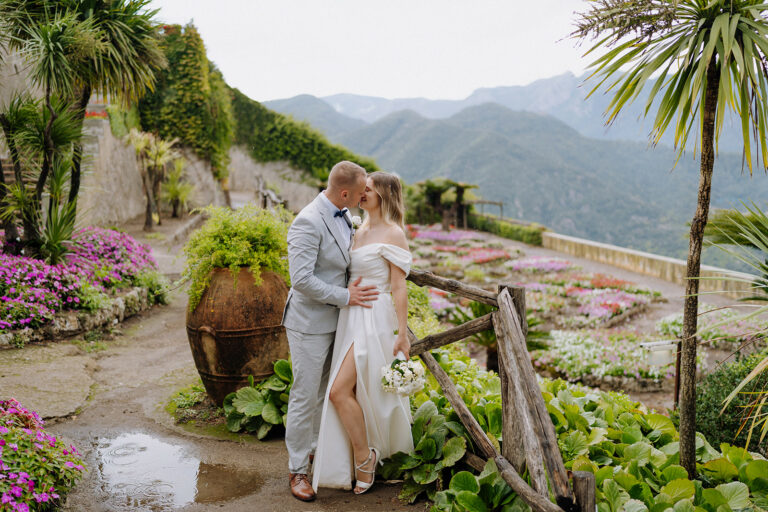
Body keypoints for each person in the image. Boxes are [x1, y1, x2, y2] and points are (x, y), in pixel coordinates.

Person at [282, 161, 379, 502]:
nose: (364, 195)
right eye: (360, 191)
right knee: (304, 396)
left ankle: (314, 453)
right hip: (309, 324)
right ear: (344, 193)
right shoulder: (307, 222)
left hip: (338, 323)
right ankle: (297, 471)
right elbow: (302, 280)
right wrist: (346, 297)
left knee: (325, 394)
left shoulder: (345, 217)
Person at [312, 171, 414, 494]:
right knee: (350, 392)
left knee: (339, 390)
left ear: (383, 195)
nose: (362, 193)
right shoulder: (358, 228)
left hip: (375, 319)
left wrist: (402, 333)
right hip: (351, 316)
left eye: (368, 189)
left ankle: (364, 456)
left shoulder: (394, 233)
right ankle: (362, 453)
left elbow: (399, 286)